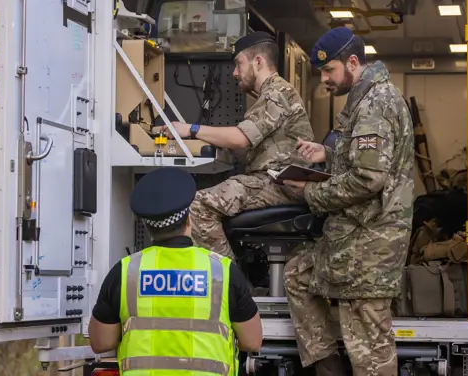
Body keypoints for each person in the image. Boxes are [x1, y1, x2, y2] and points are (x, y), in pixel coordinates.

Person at [281, 27, 415, 376]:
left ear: (352, 62)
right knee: (297, 274)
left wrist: (309, 193)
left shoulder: (375, 104)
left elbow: (368, 179)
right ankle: (328, 368)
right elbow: (363, 160)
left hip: (369, 244)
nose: (324, 79)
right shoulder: (364, 99)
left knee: (370, 348)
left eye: (329, 71)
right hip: (352, 237)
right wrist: (325, 153)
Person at [88, 167, 263, 375]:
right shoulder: (221, 271)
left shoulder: (125, 271)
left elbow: (101, 342)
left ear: (147, 226)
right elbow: (252, 341)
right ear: (188, 220)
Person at [164, 31, 315, 260]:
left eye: (238, 64)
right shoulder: (272, 94)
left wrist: (191, 130)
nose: (235, 73)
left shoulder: (277, 93)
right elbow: (244, 146)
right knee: (217, 195)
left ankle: (226, 281)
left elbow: (241, 138)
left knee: (198, 204)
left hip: (280, 183)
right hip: (274, 181)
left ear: (258, 62)